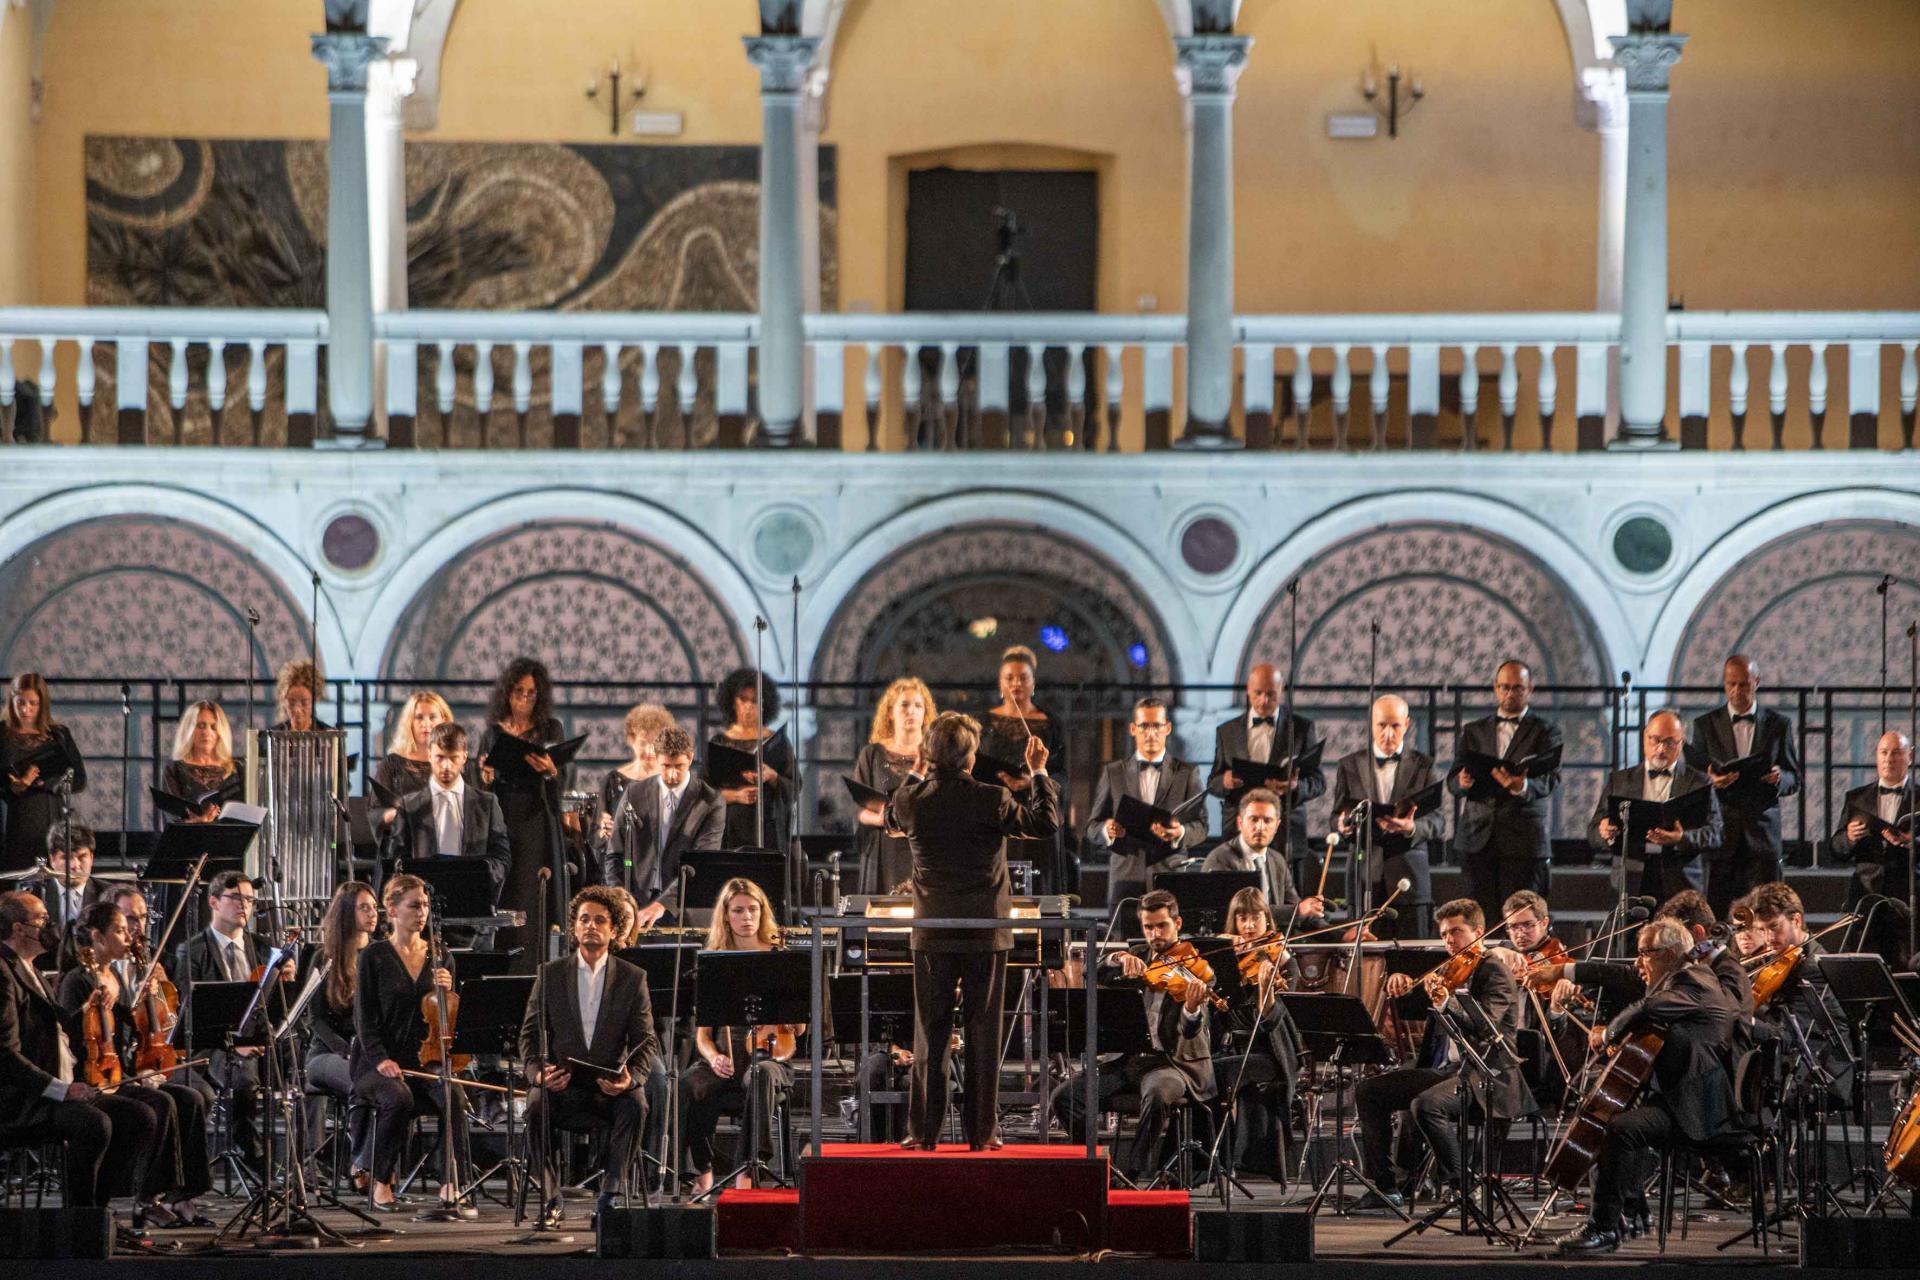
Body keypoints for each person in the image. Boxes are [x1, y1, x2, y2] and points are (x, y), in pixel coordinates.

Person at [888, 711, 1057, 1151]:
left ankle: (922, 1132)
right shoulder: (992, 798)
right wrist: (1038, 771)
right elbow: (1044, 824)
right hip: (986, 931)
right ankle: (982, 1134)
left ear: (929, 755)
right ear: (971, 756)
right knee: (984, 1033)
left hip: (932, 932)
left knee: (931, 1035)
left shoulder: (912, 801)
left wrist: (917, 773)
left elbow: (890, 819)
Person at [1555, 917, 1739, 1254]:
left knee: (1620, 1128)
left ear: (1670, 954)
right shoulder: (1680, 983)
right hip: (1675, 1096)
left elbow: (1648, 1007)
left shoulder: (1693, 980)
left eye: (1645, 954)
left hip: (1696, 1106)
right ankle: (1629, 1213)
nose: (1638, 962)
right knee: (1615, 1117)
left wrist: (1608, 1034)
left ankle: (1605, 1228)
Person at [1352, 897, 1531, 1210]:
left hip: (1486, 1075)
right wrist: (1400, 984)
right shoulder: (1449, 970)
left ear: (1478, 931)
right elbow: (1417, 1016)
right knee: (1369, 1091)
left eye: (1457, 931)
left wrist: (1448, 1002)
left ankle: (1464, 1185)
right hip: (1447, 1071)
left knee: (1426, 1105)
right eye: (1445, 933)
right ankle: (1385, 1186)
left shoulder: (1494, 971)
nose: (1449, 939)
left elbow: (1485, 1028)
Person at [56, 900, 214, 1228]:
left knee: (191, 1097)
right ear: (98, 937)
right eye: (120, 930)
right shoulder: (77, 980)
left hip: (121, 1069)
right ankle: (146, 1197)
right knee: (162, 1102)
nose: (129, 936)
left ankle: (183, 1192)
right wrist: (89, 1008)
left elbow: (129, 1027)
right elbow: (67, 1035)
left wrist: (152, 995)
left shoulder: (115, 975)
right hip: (91, 1075)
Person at [0, 890, 160, 1213]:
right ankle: (79, 1216)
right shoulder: (4, 972)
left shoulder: (29, 968)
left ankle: (97, 1211)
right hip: (25, 1099)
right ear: (18, 929)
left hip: (57, 1089)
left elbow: (60, 1033)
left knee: (140, 1116)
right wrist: (63, 1090)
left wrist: (89, 1010)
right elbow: (5, 1056)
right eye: (42, 919)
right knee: (94, 1124)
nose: (50, 926)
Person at [1050, 888, 1216, 1184]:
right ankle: (1100, 1168)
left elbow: (1191, 1031)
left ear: (1177, 924)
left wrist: (1191, 1008)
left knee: (1157, 1093)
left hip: (1172, 1063)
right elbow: (1093, 973)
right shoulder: (1136, 956)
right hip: (1129, 1060)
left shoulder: (1198, 970)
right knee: (1064, 1096)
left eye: (1161, 926)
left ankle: (1134, 1173)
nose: (1155, 934)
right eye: (1148, 927)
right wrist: (1116, 957)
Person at [521, 885, 659, 1227]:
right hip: (562, 1085)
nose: (591, 926)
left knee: (636, 1103)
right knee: (536, 1104)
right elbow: (528, 1036)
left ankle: (609, 1198)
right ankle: (551, 1197)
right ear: (574, 927)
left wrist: (631, 1077)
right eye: (584, 919)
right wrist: (539, 1075)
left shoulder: (633, 978)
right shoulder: (549, 975)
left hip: (608, 1085)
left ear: (614, 930)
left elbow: (647, 1041)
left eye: (600, 920)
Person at [350, 873, 474, 1216]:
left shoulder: (441, 957)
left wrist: (448, 990)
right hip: (376, 1061)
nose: (422, 913)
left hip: (425, 1060)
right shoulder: (373, 957)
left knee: (453, 1094)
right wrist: (380, 1059)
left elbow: (446, 1019)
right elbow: (364, 1018)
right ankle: (380, 1179)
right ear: (392, 909)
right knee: (398, 1097)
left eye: (425, 906)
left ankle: (451, 1180)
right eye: (414, 905)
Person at [680, 878, 802, 1194]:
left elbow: (800, 1028)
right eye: (738, 910)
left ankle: (748, 1167)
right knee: (692, 1082)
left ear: (762, 913)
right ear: (725, 915)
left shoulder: (780, 956)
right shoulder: (714, 961)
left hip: (770, 1056)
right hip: (725, 1058)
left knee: (760, 1075)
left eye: (753, 909)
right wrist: (714, 1057)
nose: (746, 917)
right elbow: (703, 1036)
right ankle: (702, 1168)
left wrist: (791, 1019)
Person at [171, 869, 277, 1170]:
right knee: (242, 1078)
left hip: (257, 1038)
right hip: (213, 1043)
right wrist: (235, 1044)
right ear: (214, 902)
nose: (244, 905)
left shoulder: (263, 948)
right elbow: (191, 1011)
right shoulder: (191, 950)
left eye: (249, 899)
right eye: (235, 898)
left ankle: (296, 1166)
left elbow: (270, 1003)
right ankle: (254, 1153)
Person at [1448, 661, 1563, 930]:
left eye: (1517, 688)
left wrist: (1520, 787)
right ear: (1495, 688)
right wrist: (1461, 782)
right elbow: (1452, 781)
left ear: (1530, 689)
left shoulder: (1546, 731)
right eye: (1504, 687)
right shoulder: (1473, 730)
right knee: (1477, 920)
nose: (1510, 694)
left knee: (1522, 919)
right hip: (1477, 838)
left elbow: (1552, 779)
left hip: (1522, 838)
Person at [1689, 656, 1802, 919]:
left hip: (1762, 834)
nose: (1737, 691)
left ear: (1757, 682)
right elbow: (1693, 781)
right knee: (1716, 913)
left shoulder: (1778, 724)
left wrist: (1778, 778)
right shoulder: (1704, 725)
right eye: (1731, 684)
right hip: (1721, 833)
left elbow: (1794, 778)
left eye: (1744, 684)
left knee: (1768, 912)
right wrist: (1712, 782)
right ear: (1724, 684)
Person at [1331, 695, 1442, 938]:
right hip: (1364, 875)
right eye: (1382, 725)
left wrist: (1412, 827)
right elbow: (1337, 814)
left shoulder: (1424, 765)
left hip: (1409, 874)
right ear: (1371, 723)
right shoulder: (1349, 765)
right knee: (1365, 959)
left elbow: (1438, 821)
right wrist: (1342, 826)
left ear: (1407, 724)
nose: (1388, 734)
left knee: (1411, 956)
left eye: (1395, 726)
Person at [385, 723, 513, 934]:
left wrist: (481, 878)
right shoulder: (410, 806)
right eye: (440, 757)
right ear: (429, 755)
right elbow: (398, 859)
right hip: (424, 921)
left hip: (475, 918)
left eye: (453, 758)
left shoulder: (487, 803)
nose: (446, 766)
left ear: (464, 757)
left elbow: (503, 856)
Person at [477, 657, 565, 965]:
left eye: (532, 693)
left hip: (535, 818)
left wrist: (552, 770)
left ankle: (531, 966)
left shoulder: (550, 728)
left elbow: (561, 779)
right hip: (503, 817)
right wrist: (485, 776)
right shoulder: (491, 733)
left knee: (530, 894)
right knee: (504, 890)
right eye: (519, 692)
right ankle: (502, 964)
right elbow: (481, 786)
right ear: (507, 693)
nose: (525, 699)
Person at [1086, 696, 1206, 918]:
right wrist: (1107, 829)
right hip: (1125, 877)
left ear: (1167, 728)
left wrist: (1181, 832)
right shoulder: (1113, 772)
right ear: (1133, 729)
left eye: (1157, 726)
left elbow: (1202, 826)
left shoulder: (1187, 773)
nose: (1151, 733)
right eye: (1144, 726)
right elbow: (1092, 826)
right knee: (1122, 946)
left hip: (1170, 875)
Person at [1213, 886, 1303, 1180]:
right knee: (1200, 1070)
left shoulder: (1283, 960)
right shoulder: (1229, 959)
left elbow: (1278, 1023)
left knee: (1214, 1074)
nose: (1249, 926)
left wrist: (1267, 992)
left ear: (1268, 919)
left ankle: (1222, 1160)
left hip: (1273, 1053)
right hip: (1234, 1047)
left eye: (1255, 918)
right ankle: (1212, 1162)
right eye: (1241, 919)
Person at [1590, 709, 1724, 902]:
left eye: (1670, 742)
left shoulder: (1700, 783)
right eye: (1656, 740)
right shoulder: (1619, 781)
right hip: (1631, 880)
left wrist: (1681, 838)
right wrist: (1604, 833)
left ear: (1681, 743)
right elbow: (1593, 832)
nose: (1661, 749)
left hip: (1681, 881)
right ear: (1645, 737)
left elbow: (1716, 833)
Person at [603, 726, 725, 928]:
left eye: (679, 766)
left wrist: (661, 906)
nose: (671, 774)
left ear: (691, 758)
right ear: (656, 758)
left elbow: (703, 864)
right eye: (666, 765)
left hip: (685, 911)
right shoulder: (634, 793)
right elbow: (614, 855)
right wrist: (621, 900)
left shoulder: (711, 801)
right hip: (635, 909)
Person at [1206, 662, 1323, 872]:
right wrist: (1224, 781)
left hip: (1285, 830)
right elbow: (1212, 783)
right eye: (1258, 693)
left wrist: (1295, 787)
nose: (1264, 700)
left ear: (1282, 691)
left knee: (1289, 900)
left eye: (1271, 694)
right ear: (1248, 690)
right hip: (1238, 831)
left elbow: (1318, 782)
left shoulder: (1301, 729)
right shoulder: (1227, 731)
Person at [1745, 881, 1853, 1108]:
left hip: (1815, 1066)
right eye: (1762, 930)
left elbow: (1793, 1036)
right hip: (1787, 1054)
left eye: (1774, 927)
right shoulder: (1780, 955)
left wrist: (1746, 1020)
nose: (1768, 937)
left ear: (1796, 920)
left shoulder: (1812, 967)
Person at [977, 646, 1069, 893]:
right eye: (1009, 678)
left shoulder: (1051, 723)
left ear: (1033, 682)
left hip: (1035, 810)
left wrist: (1034, 779)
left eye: (1023, 678)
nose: (1016, 683)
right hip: (996, 816)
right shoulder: (982, 722)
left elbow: (1062, 774)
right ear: (1000, 683)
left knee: (1037, 886)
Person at [306, 880, 377, 1189]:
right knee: (361, 1084)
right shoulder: (324, 957)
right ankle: (360, 1165)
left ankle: (376, 1165)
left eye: (375, 907)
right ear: (348, 913)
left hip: (365, 1052)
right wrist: (344, 1050)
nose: (372, 913)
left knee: (386, 1087)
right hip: (325, 1054)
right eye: (364, 907)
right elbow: (315, 1019)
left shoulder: (378, 956)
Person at [1828, 730, 1914, 967]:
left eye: (1896, 753)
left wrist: (1912, 843)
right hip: (1865, 894)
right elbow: (1836, 850)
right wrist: (1849, 837)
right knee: (1864, 965)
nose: (1889, 759)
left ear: (1910, 757)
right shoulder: (1856, 797)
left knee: (1906, 962)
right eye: (1883, 752)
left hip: (1908, 892)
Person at [852, 677, 935, 896]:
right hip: (884, 846)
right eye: (905, 705)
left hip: (923, 845)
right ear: (890, 712)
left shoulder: (936, 754)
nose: (912, 712)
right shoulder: (871, 754)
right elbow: (859, 810)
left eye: (918, 706)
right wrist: (882, 819)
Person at [1, 673, 87, 876]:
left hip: (52, 817)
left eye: (33, 704)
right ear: (11, 700)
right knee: (18, 880)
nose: (26, 709)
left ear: (42, 705)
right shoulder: (2, 734)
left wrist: (43, 783)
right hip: (17, 820)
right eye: (20, 703)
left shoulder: (58, 734)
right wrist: (14, 786)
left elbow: (80, 780)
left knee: (52, 878)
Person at [1202, 788, 1327, 925]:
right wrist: (1297, 911)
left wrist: (1340, 936)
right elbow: (1242, 913)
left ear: (1277, 825)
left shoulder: (1277, 860)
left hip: (1275, 943)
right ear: (1240, 823)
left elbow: (1300, 913)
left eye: (1267, 820)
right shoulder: (1220, 859)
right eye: (1253, 819)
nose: (1260, 827)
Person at [707, 668, 796, 855]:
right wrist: (736, 795)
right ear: (733, 702)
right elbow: (704, 792)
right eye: (743, 699)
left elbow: (795, 787)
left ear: (764, 704)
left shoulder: (777, 742)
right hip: (729, 832)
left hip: (769, 831)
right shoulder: (720, 742)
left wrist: (772, 776)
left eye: (755, 700)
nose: (748, 706)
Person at [372, 691, 458, 830]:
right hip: (403, 840)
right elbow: (374, 812)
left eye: (432, 717)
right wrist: (391, 815)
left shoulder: (455, 762)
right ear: (409, 723)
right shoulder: (391, 764)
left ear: (444, 720)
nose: (426, 724)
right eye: (419, 717)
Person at [595, 703, 675, 845]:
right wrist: (604, 832)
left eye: (655, 743)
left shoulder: (673, 779)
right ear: (631, 740)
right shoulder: (612, 780)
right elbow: (596, 835)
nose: (650, 750)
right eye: (643, 743)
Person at [160, 700, 242, 824]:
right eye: (201, 726)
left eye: (213, 727)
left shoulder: (238, 769)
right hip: (188, 841)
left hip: (230, 840)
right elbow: (172, 818)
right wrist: (199, 822)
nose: (207, 732)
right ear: (189, 730)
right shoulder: (174, 770)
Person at [32, 821, 109, 942]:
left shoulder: (107, 895)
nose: (75, 865)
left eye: (82, 857)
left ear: (92, 858)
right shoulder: (35, 894)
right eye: (66, 857)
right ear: (52, 859)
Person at [272, 659, 329, 731]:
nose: (297, 709)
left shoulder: (329, 735)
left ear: (314, 700)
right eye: (291, 703)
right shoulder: (272, 735)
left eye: (304, 703)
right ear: (284, 701)